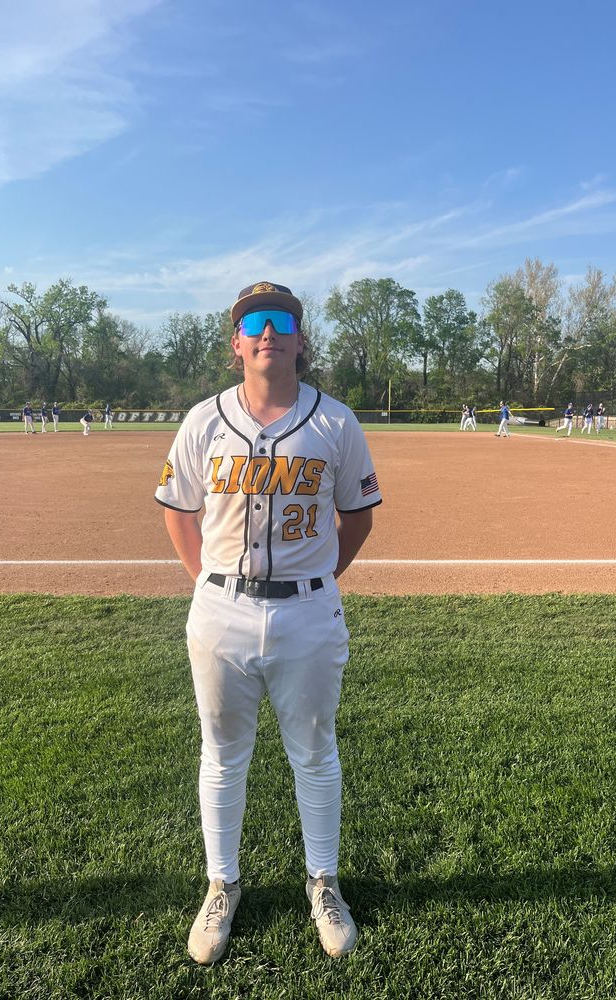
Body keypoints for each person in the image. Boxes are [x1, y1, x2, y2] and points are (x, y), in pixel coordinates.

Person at [156, 281, 381, 965]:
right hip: (220, 610)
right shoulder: (202, 420)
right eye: (253, 321)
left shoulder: (335, 422)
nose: (267, 332)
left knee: (314, 752)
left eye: (281, 320)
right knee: (222, 755)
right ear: (236, 343)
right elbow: (177, 507)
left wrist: (316, 582)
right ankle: (221, 884)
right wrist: (207, 582)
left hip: (309, 612)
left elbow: (359, 516)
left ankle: (323, 883)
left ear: (300, 339)